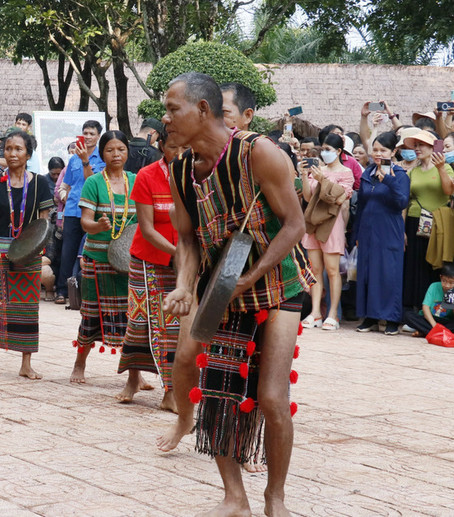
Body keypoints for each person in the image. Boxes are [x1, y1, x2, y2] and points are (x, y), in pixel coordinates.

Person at [158, 72, 314, 517]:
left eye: (173, 109)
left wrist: (252, 277)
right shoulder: (182, 168)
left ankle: (275, 498)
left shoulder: (259, 152)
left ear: (202, 110)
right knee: (220, 393)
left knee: (271, 397)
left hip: (278, 284)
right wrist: (184, 286)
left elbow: (294, 225)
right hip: (221, 289)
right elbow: (187, 239)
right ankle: (235, 498)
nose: (166, 119)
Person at [118, 130, 190, 409]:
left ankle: (171, 392)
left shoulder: (197, 176)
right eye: (174, 147)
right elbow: (147, 229)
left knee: (174, 325)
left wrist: (188, 256)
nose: (181, 153)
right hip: (149, 259)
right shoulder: (147, 176)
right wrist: (177, 253)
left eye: (186, 146)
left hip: (185, 261)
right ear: (161, 146)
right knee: (139, 322)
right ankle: (133, 377)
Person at [0, 130, 53, 378]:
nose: (12, 153)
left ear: (28, 154)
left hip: (29, 249)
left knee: (28, 306)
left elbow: (43, 223)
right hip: (0, 248)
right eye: (8, 149)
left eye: (18, 149)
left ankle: (26, 363)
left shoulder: (40, 183)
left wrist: (37, 248)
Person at [69, 130, 140, 386]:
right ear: (102, 153)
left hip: (128, 265)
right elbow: (85, 222)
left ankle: (135, 374)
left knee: (133, 318)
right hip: (97, 261)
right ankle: (80, 364)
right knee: (90, 316)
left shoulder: (136, 180)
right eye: (110, 150)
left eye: (120, 149)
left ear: (127, 152)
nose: (116, 154)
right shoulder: (94, 183)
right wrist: (98, 226)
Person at [353, 132, 410, 335]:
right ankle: (370, 317)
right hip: (368, 230)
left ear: (393, 152)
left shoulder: (400, 175)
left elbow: (402, 202)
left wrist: (388, 181)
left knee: (389, 273)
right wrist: (356, 234)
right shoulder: (367, 173)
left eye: (383, 150)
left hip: (389, 230)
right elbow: (361, 205)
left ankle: (392, 318)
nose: (378, 154)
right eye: (375, 149)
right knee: (368, 273)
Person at [300, 133, 354, 331]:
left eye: (329, 150)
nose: (324, 153)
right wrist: (305, 176)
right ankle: (315, 312)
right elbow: (307, 196)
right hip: (313, 222)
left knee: (332, 271)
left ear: (339, 151)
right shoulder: (318, 169)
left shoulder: (346, 172)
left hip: (332, 224)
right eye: (323, 149)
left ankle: (332, 314)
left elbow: (339, 199)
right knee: (315, 271)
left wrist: (323, 180)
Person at [402, 129, 454, 310]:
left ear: (434, 147)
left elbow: (449, 191)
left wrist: (440, 168)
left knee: (434, 265)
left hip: (438, 224)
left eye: (422, 145)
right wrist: (402, 230)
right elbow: (405, 202)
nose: (417, 148)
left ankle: (436, 311)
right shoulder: (412, 171)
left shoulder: (446, 167)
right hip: (414, 222)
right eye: (415, 145)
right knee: (414, 266)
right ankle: (414, 309)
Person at [55, 120, 105, 305]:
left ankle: (86, 291)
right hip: (73, 209)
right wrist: (64, 195)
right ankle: (62, 291)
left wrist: (86, 161)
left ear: (99, 136)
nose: (88, 136)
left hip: (92, 211)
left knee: (89, 251)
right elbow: (66, 183)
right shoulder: (73, 158)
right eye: (85, 133)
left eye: (92, 133)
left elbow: (94, 182)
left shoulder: (102, 157)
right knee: (67, 251)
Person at [403, 263, 454, 337]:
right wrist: (434, 326)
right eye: (444, 281)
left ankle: (425, 331)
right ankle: (438, 332)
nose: (447, 285)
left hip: (446, 321)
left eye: (451, 283)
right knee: (408, 315)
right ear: (440, 277)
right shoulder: (434, 286)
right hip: (430, 319)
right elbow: (425, 308)